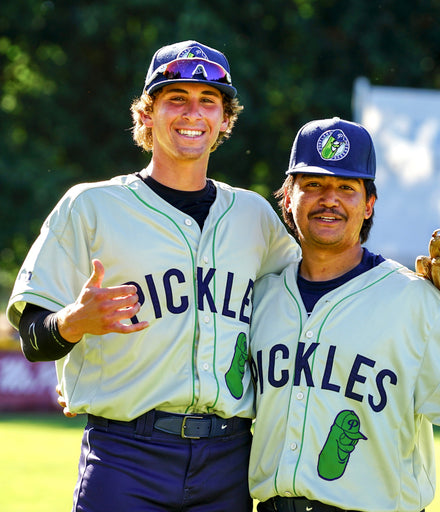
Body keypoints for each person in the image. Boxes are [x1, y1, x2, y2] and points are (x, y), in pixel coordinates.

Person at [5, 40, 299, 512]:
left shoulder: (254, 216)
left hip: (229, 457)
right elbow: (33, 339)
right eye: (175, 98)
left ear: (226, 119)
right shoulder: (92, 206)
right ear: (146, 114)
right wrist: (74, 323)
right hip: (126, 455)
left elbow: (310, 299)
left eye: (209, 101)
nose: (192, 112)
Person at [247, 117, 440, 512]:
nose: (329, 199)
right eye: (314, 185)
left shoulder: (413, 301)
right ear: (288, 198)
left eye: (346, 187)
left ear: (368, 204)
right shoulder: (263, 296)